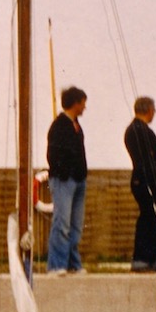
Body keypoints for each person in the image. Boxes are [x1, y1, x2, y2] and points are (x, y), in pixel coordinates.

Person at [46, 85, 88, 275]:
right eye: (82, 103)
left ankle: (72, 263)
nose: (84, 107)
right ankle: (56, 265)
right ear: (75, 103)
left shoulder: (77, 126)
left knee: (75, 226)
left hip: (79, 180)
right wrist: (64, 173)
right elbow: (53, 155)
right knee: (62, 223)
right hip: (64, 181)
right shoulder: (59, 126)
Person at [124, 96, 156, 272]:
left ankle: (145, 259)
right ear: (149, 110)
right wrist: (155, 152)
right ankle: (149, 259)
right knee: (154, 218)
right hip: (148, 181)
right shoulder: (144, 130)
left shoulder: (129, 130)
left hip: (138, 179)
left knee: (147, 217)